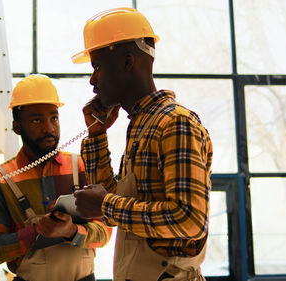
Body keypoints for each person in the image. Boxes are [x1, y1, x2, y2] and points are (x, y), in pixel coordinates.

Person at [71, 8, 213, 281]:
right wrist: (97, 135)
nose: (93, 80)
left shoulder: (174, 124)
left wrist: (105, 206)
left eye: (97, 67)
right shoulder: (141, 127)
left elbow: (189, 219)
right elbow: (116, 207)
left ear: (127, 62)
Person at [0, 74, 112, 281]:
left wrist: (71, 231)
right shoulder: (0, 179)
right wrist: (35, 232)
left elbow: (105, 231)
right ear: (17, 127)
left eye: (54, 118)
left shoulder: (80, 166)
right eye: (36, 120)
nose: (49, 128)